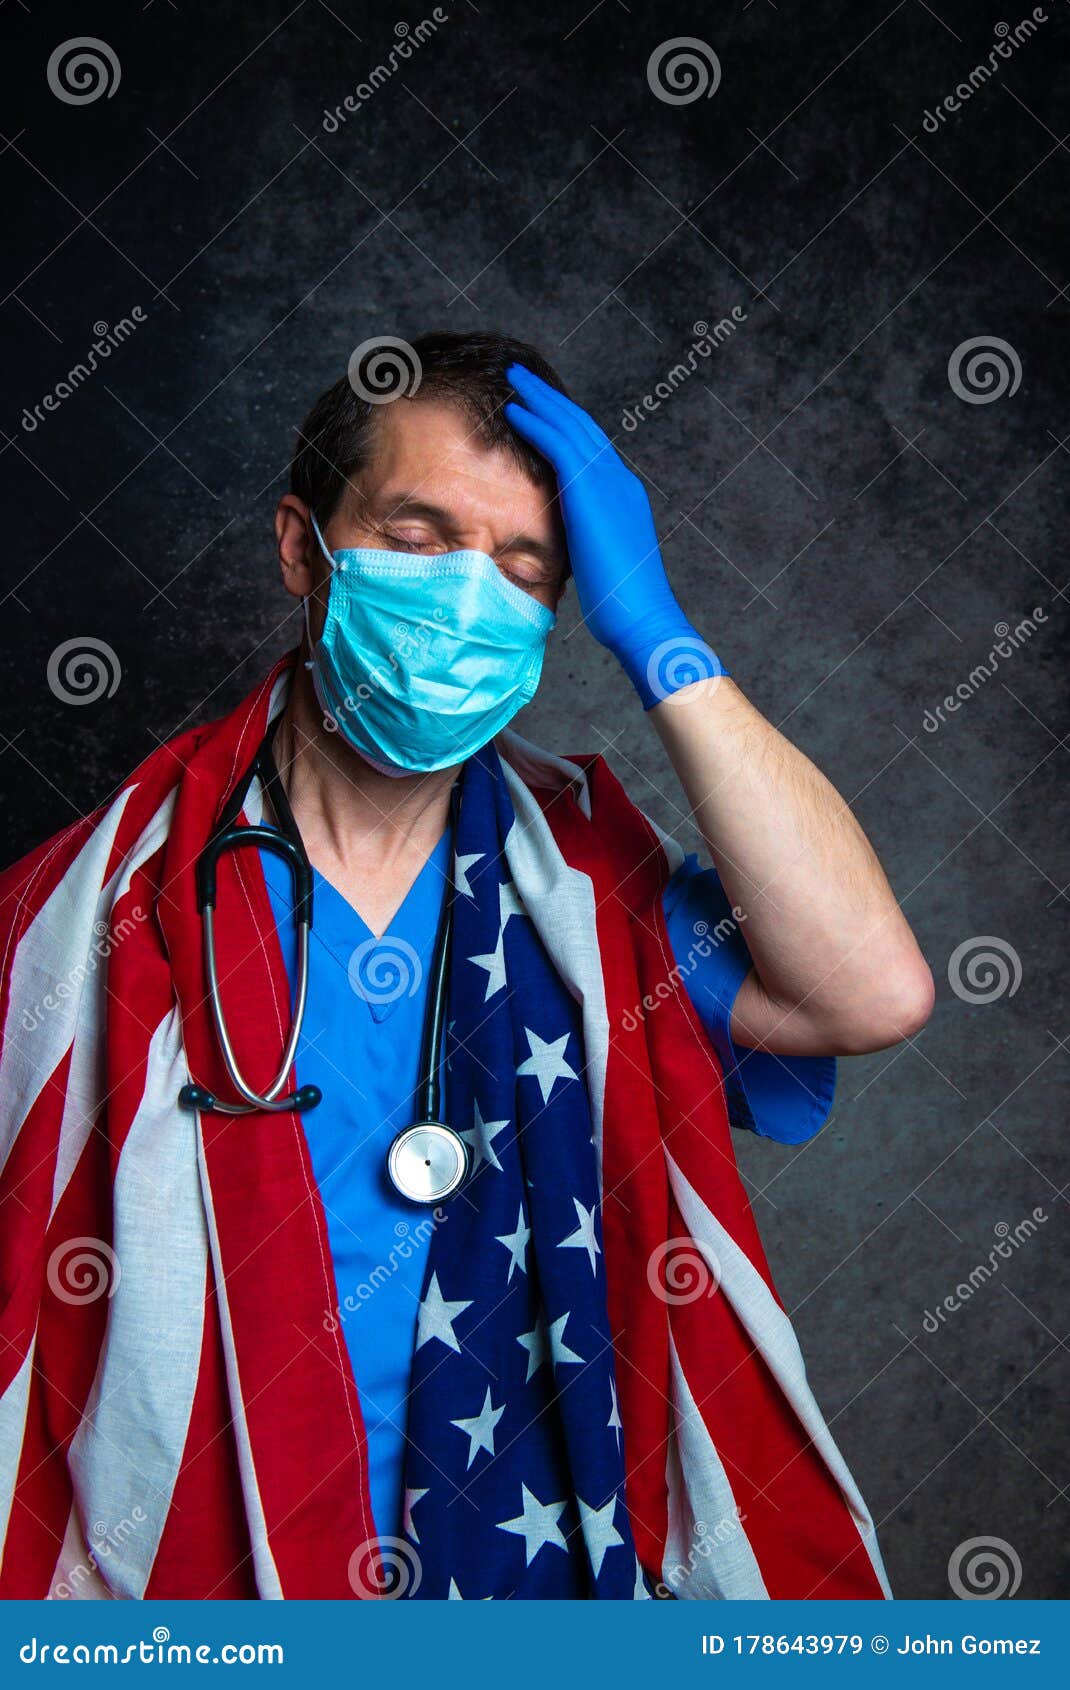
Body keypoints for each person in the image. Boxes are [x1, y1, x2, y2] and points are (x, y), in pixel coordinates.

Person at [0, 330, 933, 1602]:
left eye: (520, 565)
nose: (463, 593)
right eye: (420, 535)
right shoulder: (88, 915)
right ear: (301, 548)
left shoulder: (595, 900)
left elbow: (868, 990)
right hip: (206, 1600)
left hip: (530, 1591)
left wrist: (651, 629)